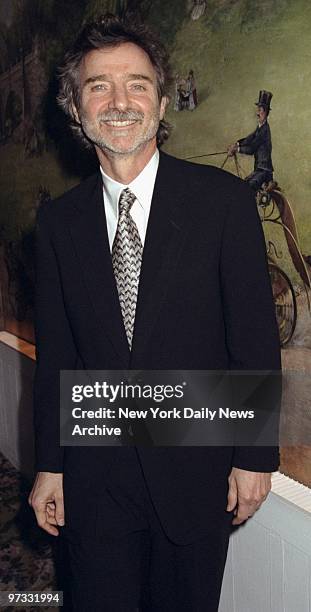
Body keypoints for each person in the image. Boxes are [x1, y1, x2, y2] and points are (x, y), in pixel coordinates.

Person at [28, 14, 281, 612]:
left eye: (137, 84)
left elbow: (252, 335)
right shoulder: (58, 223)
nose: (119, 102)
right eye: (98, 87)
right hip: (96, 478)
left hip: (195, 471)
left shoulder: (221, 204)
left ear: (162, 101)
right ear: (77, 108)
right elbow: (58, 355)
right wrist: (49, 467)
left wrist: (253, 458)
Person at [228, 90, 274, 191]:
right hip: (259, 169)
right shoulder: (260, 127)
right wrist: (237, 143)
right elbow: (250, 138)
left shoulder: (264, 130)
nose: (257, 113)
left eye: (260, 110)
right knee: (243, 185)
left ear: (266, 113)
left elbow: (252, 148)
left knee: (247, 190)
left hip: (264, 171)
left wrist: (237, 149)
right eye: (258, 109)